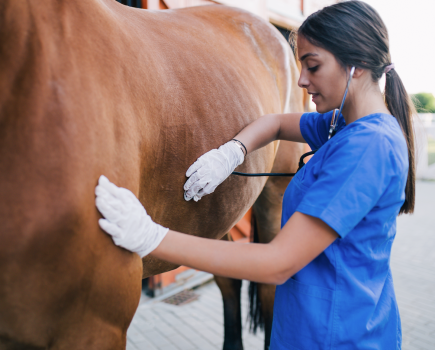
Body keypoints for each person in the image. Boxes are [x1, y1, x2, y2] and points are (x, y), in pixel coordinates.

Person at [94, 1, 416, 348]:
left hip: (337, 336)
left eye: (313, 66)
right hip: (310, 324)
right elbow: (276, 123)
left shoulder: (369, 147)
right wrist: (231, 152)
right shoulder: (343, 124)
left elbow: (277, 263)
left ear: (355, 65)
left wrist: (151, 237)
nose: (302, 80)